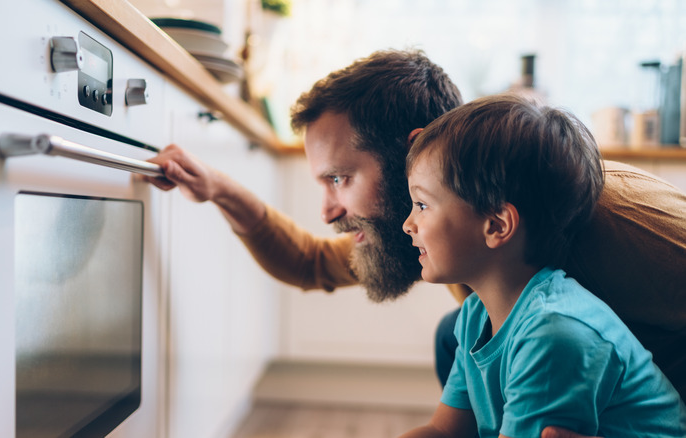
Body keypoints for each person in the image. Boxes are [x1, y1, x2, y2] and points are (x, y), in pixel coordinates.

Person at [144, 49, 686, 432]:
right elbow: (310, 263)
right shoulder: (440, 226)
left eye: (340, 178)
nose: (329, 209)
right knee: (458, 334)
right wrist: (217, 189)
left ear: (411, 152)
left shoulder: (612, 218)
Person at [398, 93, 685, 437]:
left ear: (497, 226)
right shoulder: (476, 314)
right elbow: (443, 431)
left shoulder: (553, 335)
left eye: (422, 205)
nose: (408, 224)